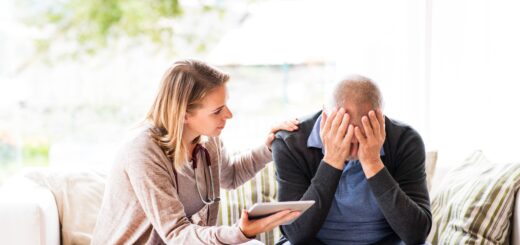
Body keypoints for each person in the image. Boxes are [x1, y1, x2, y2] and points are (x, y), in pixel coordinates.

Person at [92, 59, 301, 245]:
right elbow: (176, 234)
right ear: (183, 115)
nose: (229, 115)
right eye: (217, 111)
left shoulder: (207, 141)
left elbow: (231, 177)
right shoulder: (143, 152)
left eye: (225, 105)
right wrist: (238, 233)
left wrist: (268, 148)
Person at [272, 75, 431, 244]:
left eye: (363, 135)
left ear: (380, 120)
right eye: (344, 134)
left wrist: (373, 163)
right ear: (326, 118)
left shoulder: (406, 140)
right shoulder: (290, 143)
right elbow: (295, 234)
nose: (353, 148)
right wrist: (332, 161)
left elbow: (416, 234)